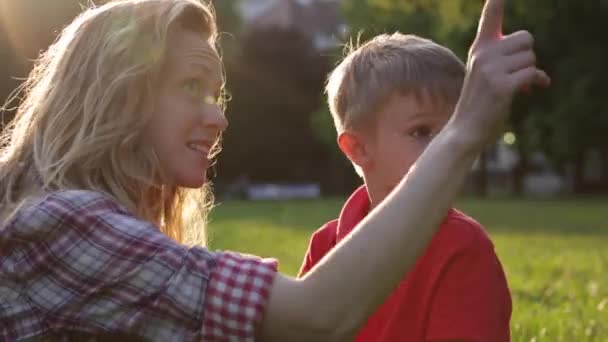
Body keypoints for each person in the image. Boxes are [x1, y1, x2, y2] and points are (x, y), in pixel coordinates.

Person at [0, 0, 549, 340]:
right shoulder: (61, 222)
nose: (218, 117)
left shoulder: (92, 226)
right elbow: (314, 321)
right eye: (190, 87)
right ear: (116, 96)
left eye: (216, 93)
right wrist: (464, 130)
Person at [299, 32, 511, 342]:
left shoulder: (462, 246)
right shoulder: (326, 246)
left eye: (455, 129)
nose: (446, 145)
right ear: (357, 148)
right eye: (421, 131)